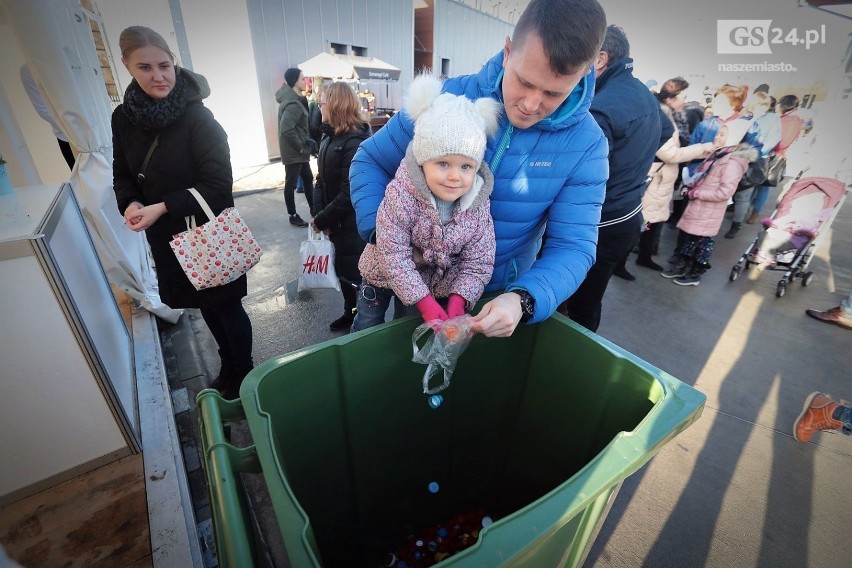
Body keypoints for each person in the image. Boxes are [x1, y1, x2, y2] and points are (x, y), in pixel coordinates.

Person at [350, 0, 609, 338]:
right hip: (412, 281)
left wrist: (524, 299)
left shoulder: (587, 143)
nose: (531, 105)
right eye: (524, 82)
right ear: (508, 51)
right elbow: (370, 160)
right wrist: (382, 234)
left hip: (497, 294)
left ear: (582, 77)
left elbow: (573, 245)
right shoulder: (448, 98)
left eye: (553, 93)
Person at [112, 26, 254, 399]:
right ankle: (229, 365)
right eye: (145, 67)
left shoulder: (198, 118)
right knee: (203, 304)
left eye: (164, 65)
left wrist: (161, 206)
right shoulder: (122, 118)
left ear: (174, 64)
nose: (158, 76)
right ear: (127, 66)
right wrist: (131, 203)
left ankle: (244, 372)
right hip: (168, 236)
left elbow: (219, 185)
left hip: (206, 232)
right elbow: (122, 173)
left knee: (225, 306)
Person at [352, 74, 499, 332]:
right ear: (423, 160)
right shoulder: (402, 194)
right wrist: (425, 303)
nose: (455, 176)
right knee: (367, 324)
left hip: (420, 283)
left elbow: (479, 260)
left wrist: (458, 300)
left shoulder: (477, 205)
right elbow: (393, 255)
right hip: (382, 272)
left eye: (466, 166)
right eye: (443, 163)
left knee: (402, 328)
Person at [558, 25, 670, 330]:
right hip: (628, 214)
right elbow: (668, 131)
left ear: (600, 58)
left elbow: (580, 171)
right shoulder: (643, 95)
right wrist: (632, 165)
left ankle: (574, 363)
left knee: (575, 304)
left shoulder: (601, 106)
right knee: (589, 300)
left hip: (601, 223)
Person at [661, 120, 757, 286]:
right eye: (718, 133)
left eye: (722, 134)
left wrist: (697, 193)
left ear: (733, 138)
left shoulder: (732, 162)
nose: (717, 137)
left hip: (708, 210)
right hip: (699, 207)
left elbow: (725, 192)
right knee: (691, 239)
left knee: (702, 243)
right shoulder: (719, 155)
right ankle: (684, 265)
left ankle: (696, 273)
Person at [635, 78, 715, 272]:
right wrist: (702, 148)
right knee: (644, 221)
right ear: (670, 98)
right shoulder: (663, 117)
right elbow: (669, 153)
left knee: (651, 222)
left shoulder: (669, 114)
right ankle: (624, 262)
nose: (685, 101)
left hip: (661, 177)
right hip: (656, 177)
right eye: (683, 97)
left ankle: (643, 256)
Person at [310, 82, 371, 331]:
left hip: (351, 224)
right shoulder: (328, 136)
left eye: (321, 102)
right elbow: (320, 180)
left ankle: (364, 322)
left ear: (334, 105)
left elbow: (349, 193)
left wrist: (324, 219)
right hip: (334, 222)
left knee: (358, 276)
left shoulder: (355, 141)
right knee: (343, 271)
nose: (318, 107)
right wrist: (318, 215)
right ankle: (351, 312)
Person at [724, 91, 781, 238]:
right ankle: (734, 219)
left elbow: (772, 141)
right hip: (735, 159)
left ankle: (736, 224)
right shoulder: (746, 116)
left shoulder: (771, 119)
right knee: (730, 191)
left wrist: (753, 154)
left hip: (753, 162)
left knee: (744, 194)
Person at [276, 67, 316, 227]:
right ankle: (292, 215)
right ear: (294, 82)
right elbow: (286, 129)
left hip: (299, 151)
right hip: (294, 152)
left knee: (307, 178)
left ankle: (315, 210)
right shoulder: (292, 104)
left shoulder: (297, 100)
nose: (305, 81)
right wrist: (300, 146)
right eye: (302, 79)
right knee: (291, 183)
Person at [20, 64, 75, 170]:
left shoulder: (80, 58)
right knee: (84, 182)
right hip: (69, 139)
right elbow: (43, 110)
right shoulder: (30, 69)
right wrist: (76, 129)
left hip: (103, 134)